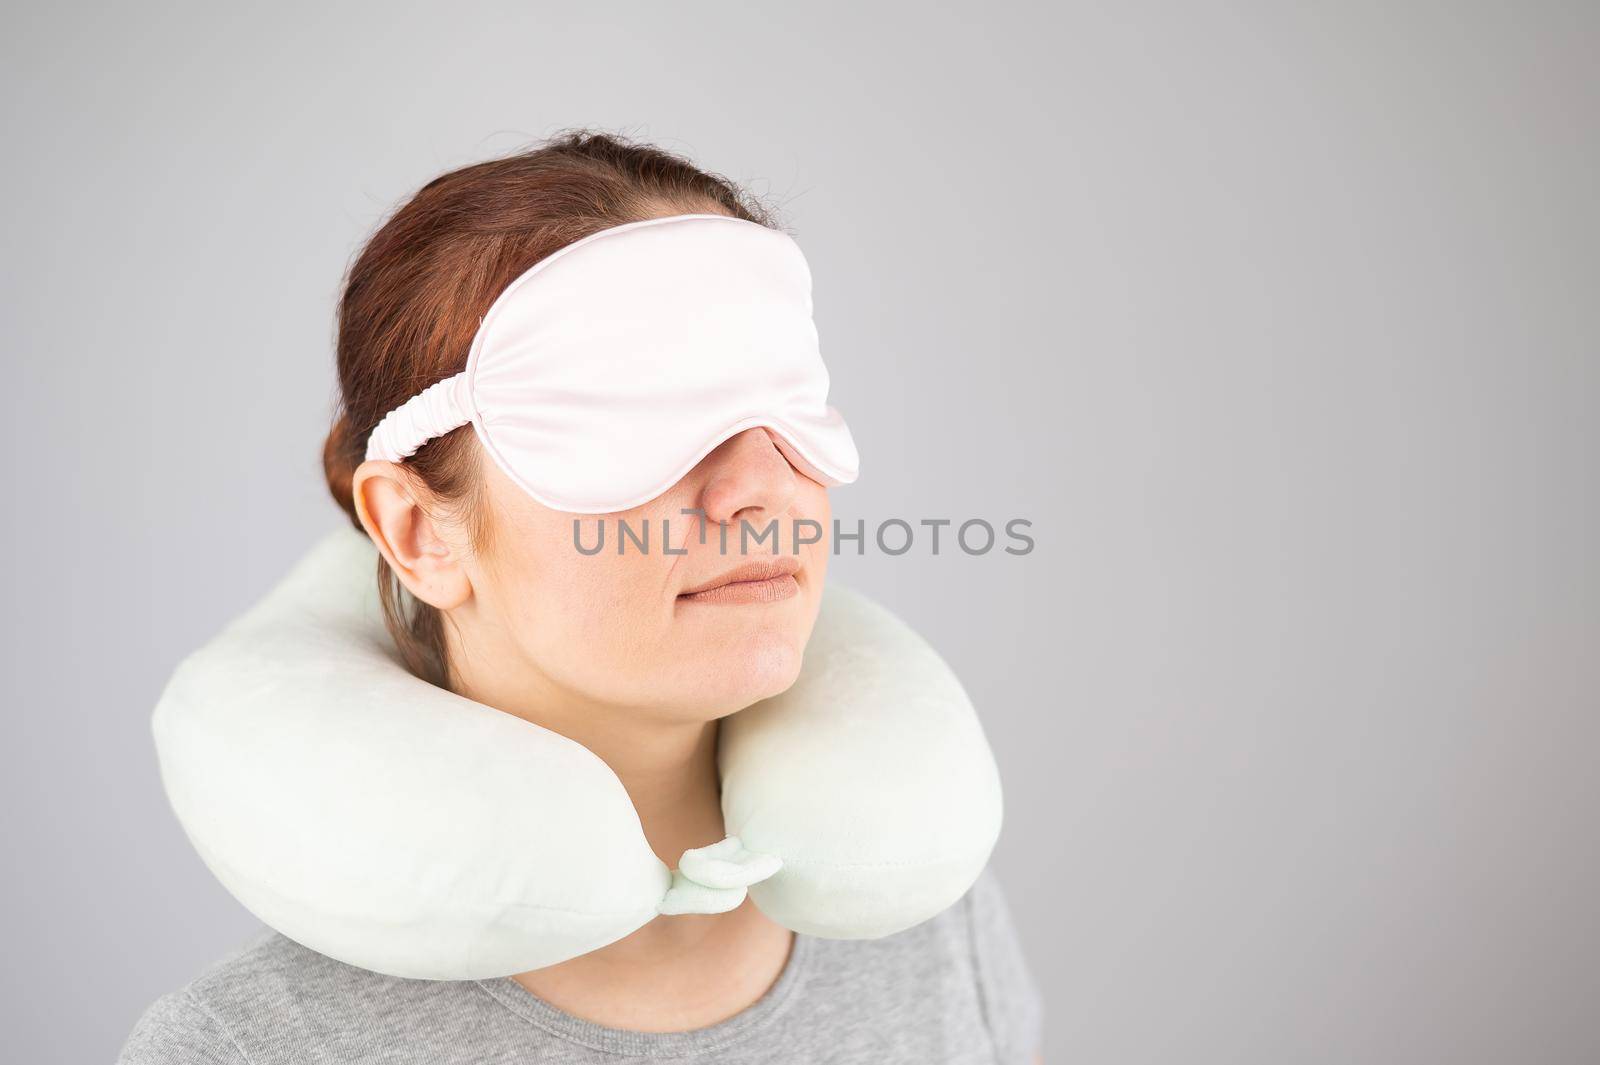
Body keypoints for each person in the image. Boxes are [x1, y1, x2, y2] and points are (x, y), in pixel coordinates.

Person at [118, 129, 1045, 1064]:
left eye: (788, 397)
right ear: (416, 531)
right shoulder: (250, 1047)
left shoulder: (937, 937)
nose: (765, 486)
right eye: (641, 412)